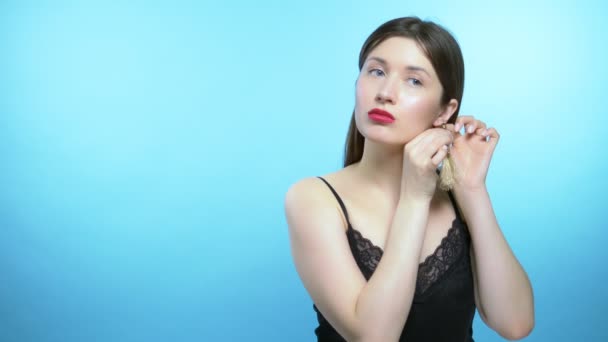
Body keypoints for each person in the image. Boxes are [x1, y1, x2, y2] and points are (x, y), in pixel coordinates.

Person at [284, 16, 535, 342]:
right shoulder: (313, 199)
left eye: (414, 81)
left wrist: (472, 190)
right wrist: (414, 198)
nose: (385, 93)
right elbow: (374, 338)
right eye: (376, 71)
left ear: (445, 112)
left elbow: (515, 324)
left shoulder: (458, 196)